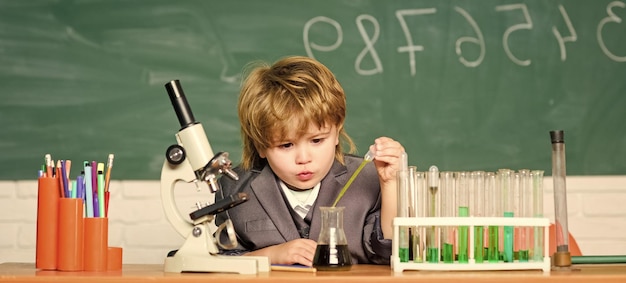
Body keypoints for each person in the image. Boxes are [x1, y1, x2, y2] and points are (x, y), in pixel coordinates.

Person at [214, 55, 405, 266]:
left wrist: (390, 186)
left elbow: (389, 253)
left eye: (317, 140)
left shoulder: (367, 178)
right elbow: (214, 262)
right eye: (286, 145)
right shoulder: (234, 189)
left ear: (337, 128)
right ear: (260, 145)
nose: (304, 159)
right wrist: (272, 255)